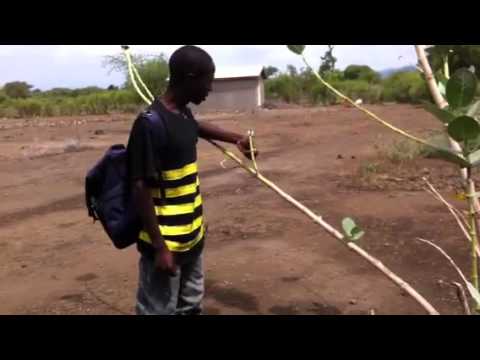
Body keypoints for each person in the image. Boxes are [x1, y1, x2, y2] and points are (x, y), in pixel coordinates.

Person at [127, 45, 256, 315]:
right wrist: (160, 248)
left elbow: (196, 128)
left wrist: (237, 139)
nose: (210, 89)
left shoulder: (182, 113)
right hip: (166, 243)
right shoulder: (149, 124)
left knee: (190, 305)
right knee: (158, 309)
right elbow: (139, 188)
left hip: (192, 237)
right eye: (207, 81)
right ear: (189, 77)